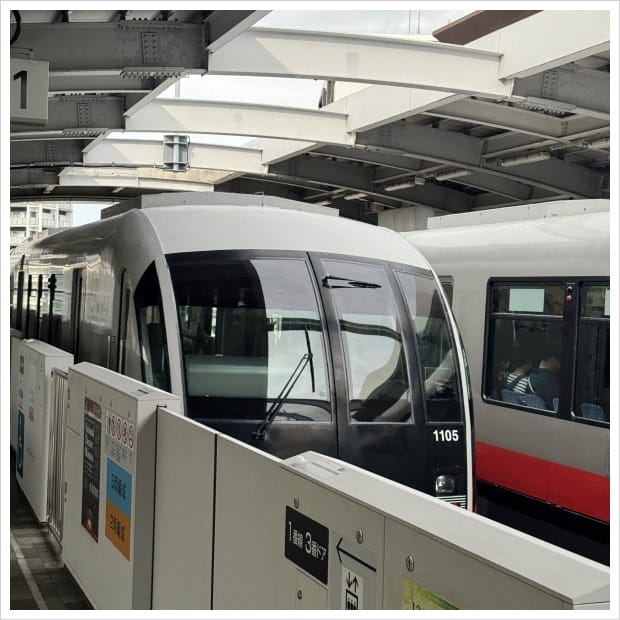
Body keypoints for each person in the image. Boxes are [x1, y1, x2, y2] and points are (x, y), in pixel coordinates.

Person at [528, 342, 561, 409]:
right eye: (559, 363)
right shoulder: (551, 381)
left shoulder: (531, 375)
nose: (559, 367)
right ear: (553, 360)